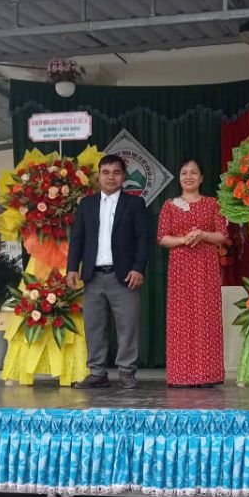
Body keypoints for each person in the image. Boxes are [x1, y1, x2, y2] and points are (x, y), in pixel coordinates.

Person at [66, 154, 149, 389]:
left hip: (124, 276)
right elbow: (78, 238)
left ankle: (126, 371)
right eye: (106, 172)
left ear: (123, 177)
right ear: (98, 177)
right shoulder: (87, 204)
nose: (111, 177)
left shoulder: (134, 204)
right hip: (93, 276)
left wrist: (138, 269)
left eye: (116, 172)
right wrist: (72, 268)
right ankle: (97, 373)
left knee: (127, 327)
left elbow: (143, 239)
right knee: (94, 327)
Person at [157, 158, 228, 386]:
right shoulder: (170, 205)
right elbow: (162, 238)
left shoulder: (213, 204)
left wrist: (203, 235)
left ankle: (207, 375)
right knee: (181, 320)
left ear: (202, 178)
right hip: (180, 270)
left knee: (205, 318)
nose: (189, 176)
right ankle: (180, 376)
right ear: (179, 178)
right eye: (184, 172)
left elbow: (222, 235)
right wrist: (183, 239)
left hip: (205, 268)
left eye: (194, 172)